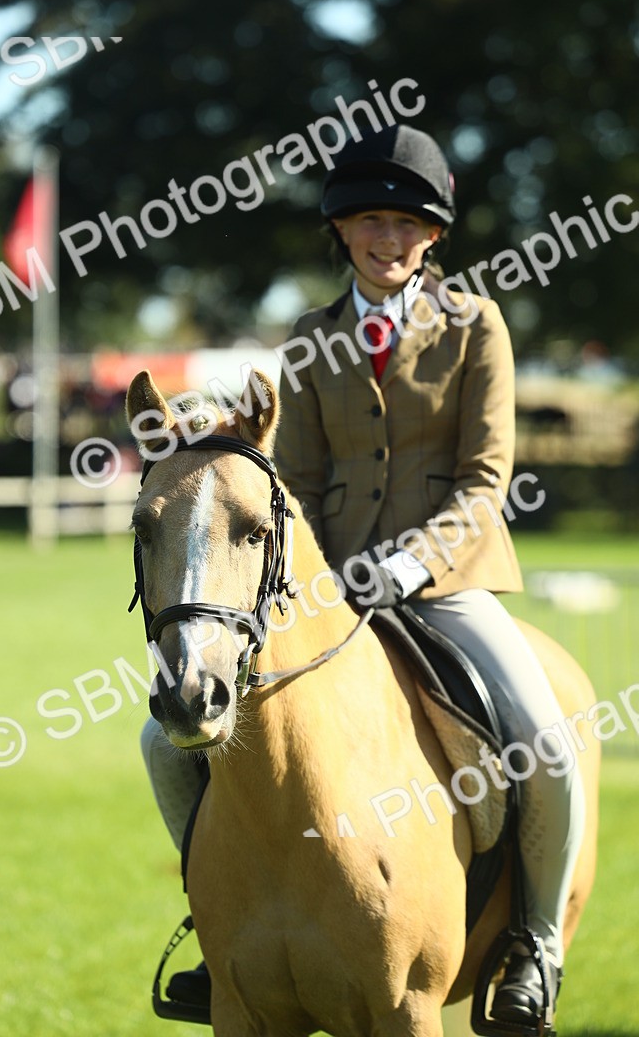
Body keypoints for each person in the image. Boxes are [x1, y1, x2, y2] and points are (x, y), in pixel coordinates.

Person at [140, 123, 584, 1026]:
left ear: (434, 237)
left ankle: (534, 942)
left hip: (450, 584)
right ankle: (221, 926)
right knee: (162, 744)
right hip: (328, 591)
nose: (390, 238)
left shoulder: (476, 326)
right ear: (341, 231)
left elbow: (485, 478)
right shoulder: (309, 340)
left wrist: (414, 561)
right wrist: (318, 577)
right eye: (371, 220)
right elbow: (291, 484)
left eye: (408, 224)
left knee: (548, 739)